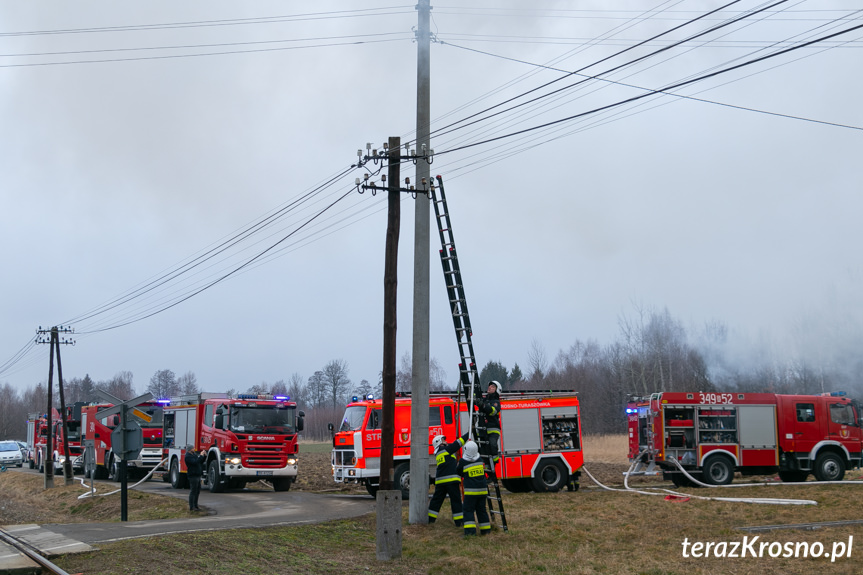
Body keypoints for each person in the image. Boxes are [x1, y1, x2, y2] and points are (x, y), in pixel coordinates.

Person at [427, 432, 469, 526]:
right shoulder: (445, 450)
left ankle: (430, 520)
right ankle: (459, 522)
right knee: (456, 501)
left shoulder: (438, 453)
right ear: (439, 443)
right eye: (443, 440)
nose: (446, 442)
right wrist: (468, 434)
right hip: (451, 481)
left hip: (440, 482)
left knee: (436, 501)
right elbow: (458, 443)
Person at [456, 440, 491, 536]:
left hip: (471, 493)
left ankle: (470, 533)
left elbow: (458, 472)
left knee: (468, 510)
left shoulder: (463, 462)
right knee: (482, 510)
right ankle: (486, 531)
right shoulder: (480, 460)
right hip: (483, 491)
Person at [475, 381, 502, 464]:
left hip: (493, 429)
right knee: (483, 451)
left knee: (492, 444)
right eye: (489, 385)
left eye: (493, 387)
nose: (490, 387)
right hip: (483, 430)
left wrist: (483, 405)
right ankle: (487, 468)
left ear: (497, 390)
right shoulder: (484, 399)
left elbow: (492, 411)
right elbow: (475, 400)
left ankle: (494, 461)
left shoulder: (496, 402)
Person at [185, 445, 207, 512]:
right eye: (193, 448)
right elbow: (195, 462)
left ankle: (196, 505)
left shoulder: (194, 455)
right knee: (193, 491)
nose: (194, 449)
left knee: (197, 491)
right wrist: (200, 456)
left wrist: (204, 456)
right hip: (193, 475)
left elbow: (200, 462)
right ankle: (192, 506)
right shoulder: (188, 456)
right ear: (189, 449)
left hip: (198, 475)